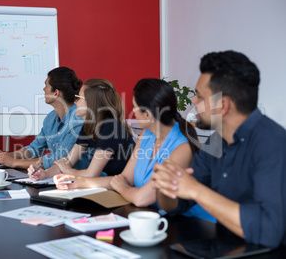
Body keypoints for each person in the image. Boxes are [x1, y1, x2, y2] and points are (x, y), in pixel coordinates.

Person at [152, 50, 286, 248]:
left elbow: (268, 231)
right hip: (223, 247)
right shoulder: (216, 141)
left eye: (199, 96)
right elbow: (177, 205)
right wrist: (165, 186)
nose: (193, 102)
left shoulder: (273, 143)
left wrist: (195, 190)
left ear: (222, 106)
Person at [52, 78, 214, 221]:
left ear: (148, 115)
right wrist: (76, 183)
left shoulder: (182, 148)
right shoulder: (147, 135)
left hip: (192, 224)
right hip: (151, 216)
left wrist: (122, 188)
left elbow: (141, 198)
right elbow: (124, 178)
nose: (133, 113)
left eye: (135, 108)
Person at [29, 78, 135, 179]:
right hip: (104, 186)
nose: (75, 102)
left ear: (91, 103)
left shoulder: (110, 127)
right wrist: (44, 174)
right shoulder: (88, 126)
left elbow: (91, 174)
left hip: (121, 190)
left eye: (78, 98)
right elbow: (69, 161)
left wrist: (66, 170)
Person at [0, 67, 90, 170]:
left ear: (56, 93)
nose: (43, 89)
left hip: (79, 180)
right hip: (58, 177)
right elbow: (34, 149)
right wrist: (5, 156)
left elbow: (59, 160)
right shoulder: (50, 118)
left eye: (46, 85)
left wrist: (14, 162)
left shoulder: (78, 120)